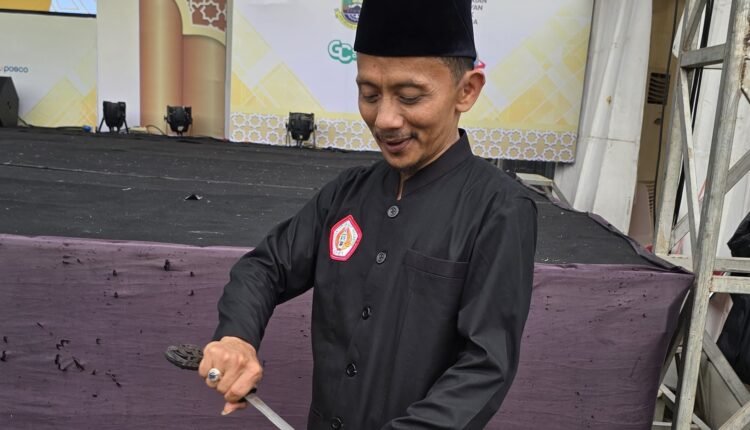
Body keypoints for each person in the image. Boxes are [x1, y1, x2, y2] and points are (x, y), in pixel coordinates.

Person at [198, 0, 537, 428]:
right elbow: (264, 268)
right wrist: (237, 338)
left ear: (466, 91)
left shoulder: (499, 209)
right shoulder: (347, 193)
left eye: (410, 97)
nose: (385, 119)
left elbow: (484, 367)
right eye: (370, 95)